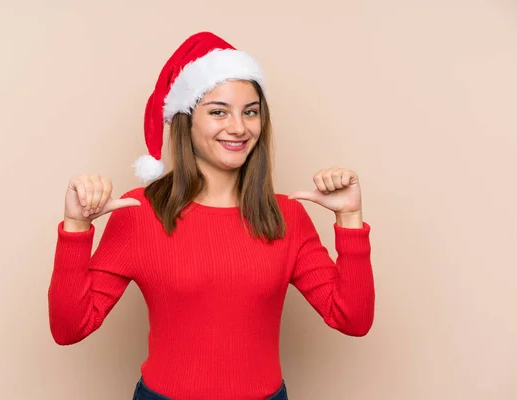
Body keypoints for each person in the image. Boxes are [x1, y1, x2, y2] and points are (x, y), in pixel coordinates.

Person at [47, 31, 375, 400]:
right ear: (186, 122)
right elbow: (69, 328)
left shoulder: (286, 215)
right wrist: (76, 227)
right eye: (218, 111)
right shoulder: (140, 213)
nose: (238, 127)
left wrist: (350, 218)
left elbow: (353, 319)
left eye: (250, 112)